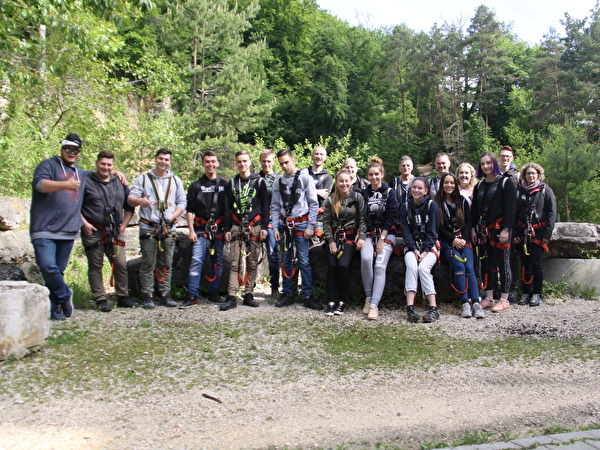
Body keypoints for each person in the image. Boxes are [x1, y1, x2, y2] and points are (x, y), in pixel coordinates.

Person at [30, 133, 87, 320]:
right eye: (68, 149)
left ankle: (54, 308)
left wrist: (117, 174)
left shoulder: (81, 173)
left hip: (68, 230)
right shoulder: (48, 165)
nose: (71, 152)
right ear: (62, 149)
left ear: (79, 152)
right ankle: (64, 295)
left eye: (75, 150)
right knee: (47, 266)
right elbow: (41, 185)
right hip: (44, 227)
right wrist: (65, 184)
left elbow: (101, 176)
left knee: (58, 271)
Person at [128, 148, 186, 309]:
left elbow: (182, 201)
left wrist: (173, 215)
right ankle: (147, 294)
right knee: (148, 262)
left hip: (168, 227)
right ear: (155, 159)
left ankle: (165, 294)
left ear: (170, 161)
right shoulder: (143, 180)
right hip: (149, 226)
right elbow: (131, 199)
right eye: (161, 159)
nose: (163, 162)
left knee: (166, 262)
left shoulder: (175, 180)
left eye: (166, 159)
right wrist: (140, 201)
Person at [81, 150, 137, 312]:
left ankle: (123, 296)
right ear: (97, 163)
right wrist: (83, 223)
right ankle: (100, 298)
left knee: (120, 264)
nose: (105, 167)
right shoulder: (86, 181)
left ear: (113, 166)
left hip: (115, 230)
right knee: (95, 265)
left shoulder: (119, 181)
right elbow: (74, 206)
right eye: (103, 164)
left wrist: (124, 225)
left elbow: (130, 206)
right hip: (93, 230)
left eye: (109, 165)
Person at [271, 149, 321, 310]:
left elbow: (314, 203)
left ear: (293, 160)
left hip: (302, 224)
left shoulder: (305, 178)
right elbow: (275, 206)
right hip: (285, 225)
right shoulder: (278, 181)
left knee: (304, 261)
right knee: (285, 260)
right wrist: (275, 228)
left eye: (286, 162)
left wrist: (310, 226)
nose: (284, 166)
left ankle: (307, 294)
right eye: (281, 163)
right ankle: (288, 293)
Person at [221, 150, 269, 311]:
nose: (242, 164)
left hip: (255, 226)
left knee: (252, 262)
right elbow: (227, 208)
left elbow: (265, 206)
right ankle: (231, 295)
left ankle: (249, 293)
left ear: (250, 162)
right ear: (236, 163)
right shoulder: (232, 184)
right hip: (236, 225)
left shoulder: (259, 182)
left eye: (244, 161)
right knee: (234, 263)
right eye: (239, 161)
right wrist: (227, 229)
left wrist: (264, 227)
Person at [180, 151, 227, 309]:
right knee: (196, 261)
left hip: (219, 229)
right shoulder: (196, 186)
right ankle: (192, 294)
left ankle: (214, 292)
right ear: (203, 164)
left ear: (217, 163)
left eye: (213, 161)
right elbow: (190, 210)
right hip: (200, 229)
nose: (210, 164)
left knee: (217, 261)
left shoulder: (224, 185)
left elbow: (228, 210)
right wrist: (191, 230)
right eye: (207, 162)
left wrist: (227, 229)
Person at [434, 172, 484, 319]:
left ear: (456, 185)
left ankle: (475, 302)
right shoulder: (436, 204)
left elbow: (469, 223)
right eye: (446, 183)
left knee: (469, 266)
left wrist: (464, 238)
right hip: (447, 242)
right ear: (442, 185)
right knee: (458, 265)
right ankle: (464, 303)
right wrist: (453, 239)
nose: (449, 185)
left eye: (452, 183)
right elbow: (439, 227)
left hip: (464, 240)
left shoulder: (462, 201)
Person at [471, 152, 517, 313]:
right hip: (484, 230)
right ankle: (489, 297)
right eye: (483, 164)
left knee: (503, 263)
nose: (486, 167)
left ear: (494, 164)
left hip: (500, 230)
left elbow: (511, 209)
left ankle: (504, 299)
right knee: (486, 263)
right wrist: (473, 228)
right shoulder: (480, 186)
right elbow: (475, 210)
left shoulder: (506, 183)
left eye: (488, 163)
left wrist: (506, 229)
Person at [322, 169, 366, 316]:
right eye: (341, 181)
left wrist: (362, 237)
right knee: (332, 266)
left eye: (346, 181)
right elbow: (326, 222)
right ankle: (330, 301)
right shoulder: (330, 200)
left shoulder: (357, 198)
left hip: (349, 238)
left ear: (351, 181)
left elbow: (362, 219)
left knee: (342, 265)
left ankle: (341, 301)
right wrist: (331, 241)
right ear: (336, 182)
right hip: (333, 238)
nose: (344, 184)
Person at [360, 158, 399, 320]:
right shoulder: (363, 194)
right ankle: (368, 297)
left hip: (387, 234)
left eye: (377, 174)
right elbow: (360, 216)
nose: (374, 177)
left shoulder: (390, 193)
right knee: (366, 258)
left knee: (380, 265)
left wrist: (382, 238)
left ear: (382, 175)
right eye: (371, 174)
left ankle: (375, 305)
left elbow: (391, 217)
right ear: (367, 176)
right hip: (369, 233)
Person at [513, 163, 556, 307]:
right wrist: (515, 233)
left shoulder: (545, 190)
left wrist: (547, 235)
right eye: (528, 173)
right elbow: (514, 214)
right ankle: (526, 292)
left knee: (536, 263)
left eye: (533, 173)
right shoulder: (519, 191)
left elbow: (551, 213)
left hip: (539, 233)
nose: (531, 176)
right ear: (524, 175)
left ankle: (537, 293)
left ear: (538, 175)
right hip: (523, 233)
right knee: (525, 263)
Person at [399, 177, 440, 323]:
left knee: (423, 268)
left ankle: (433, 308)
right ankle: (410, 307)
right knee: (412, 266)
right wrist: (414, 249)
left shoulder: (432, 206)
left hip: (429, 246)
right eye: (414, 187)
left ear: (426, 191)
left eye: (420, 188)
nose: (416, 190)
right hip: (412, 246)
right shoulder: (404, 207)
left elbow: (433, 231)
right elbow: (406, 231)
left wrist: (425, 250)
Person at [259, 149, 281, 297]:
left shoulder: (279, 179)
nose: (266, 164)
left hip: (273, 221)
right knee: (252, 255)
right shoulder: (255, 178)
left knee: (273, 255)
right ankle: (249, 286)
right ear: (260, 161)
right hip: (256, 220)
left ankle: (274, 287)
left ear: (273, 161)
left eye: (269, 161)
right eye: (263, 161)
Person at [307, 145, 333, 245]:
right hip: (302, 216)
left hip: (318, 218)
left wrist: (308, 190)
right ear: (312, 155)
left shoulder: (327, 177)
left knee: (315, 246)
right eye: (316, 154)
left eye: (321, 154)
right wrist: (317, 191)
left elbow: (323, 197)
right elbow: (299, 192)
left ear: (325, 157)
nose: (319, 156)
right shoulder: (304, 173)